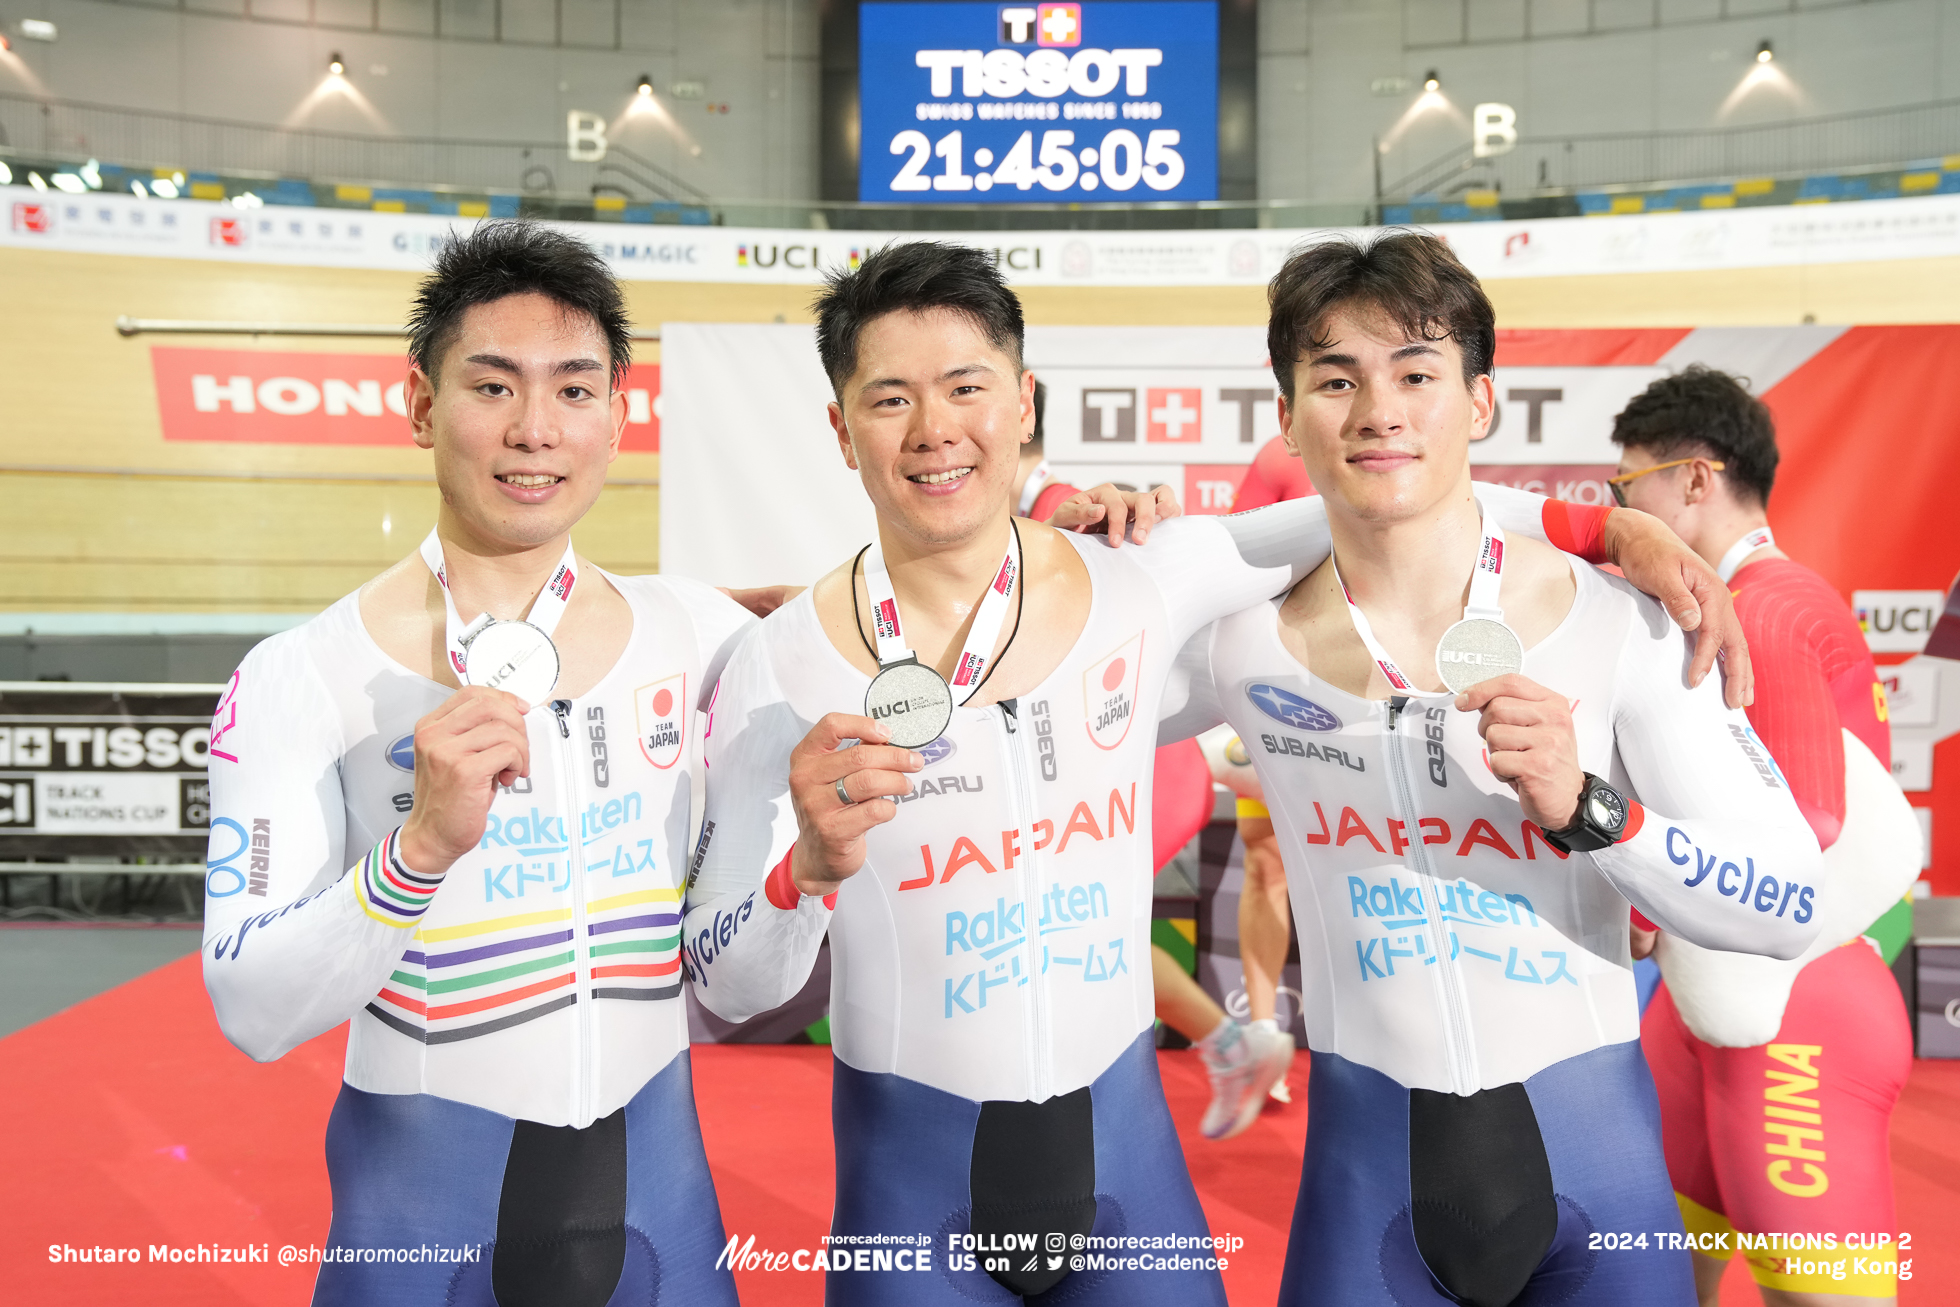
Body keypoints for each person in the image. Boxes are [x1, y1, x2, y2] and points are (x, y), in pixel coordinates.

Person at [681, 239, 1750, 1307]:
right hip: (909, 1201)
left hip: (1129, 1192)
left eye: (966, 387)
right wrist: (804, 872)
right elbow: (728, 985)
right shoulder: (774, 667)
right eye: (889, 399)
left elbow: (1401, 493)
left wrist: (1608, 527)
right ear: (839, 429)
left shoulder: (1149, 580)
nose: (934, 431)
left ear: (1021, 402)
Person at [1157, 231, 1826, 1307]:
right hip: (1365, 1189)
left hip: (1593, 1179)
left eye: (1417, 374)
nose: (1379, 410)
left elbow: (1791, 903)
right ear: (1286, 414)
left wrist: (1596, 810)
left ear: (1478, 403)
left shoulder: (1628, 621)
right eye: (1336, 379)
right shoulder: (1232, 642)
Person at [200, 221, 749, 1306]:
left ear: (617, 417)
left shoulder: (701, 632)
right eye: (493, 386)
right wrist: (415, 851)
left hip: (663, 1226)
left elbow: (907, 636)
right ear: (418, 403)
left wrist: (1078, 534)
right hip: (420, 1229)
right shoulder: (301, 674)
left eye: (574, 391)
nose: (535, 429)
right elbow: (249, 1005)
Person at [1610, 367, 1921, 1307]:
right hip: (1709, 993)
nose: (1620, 514)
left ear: (1695, 480)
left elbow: (1809, 830)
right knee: (1651, 1280)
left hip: (1796, 1005)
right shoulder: (1733, 603)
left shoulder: (1770, 606)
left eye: (1630, 489)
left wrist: (1642, 861)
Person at [1012, 379, 1295, 1140]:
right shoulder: (1032, 516)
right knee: (1080, 928)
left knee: (1076, 930)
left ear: (1016, 423)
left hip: (1136, 771)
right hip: (1126, 771)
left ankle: (1224, 1048)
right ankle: (1236, 1043)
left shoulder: (1063, 510)